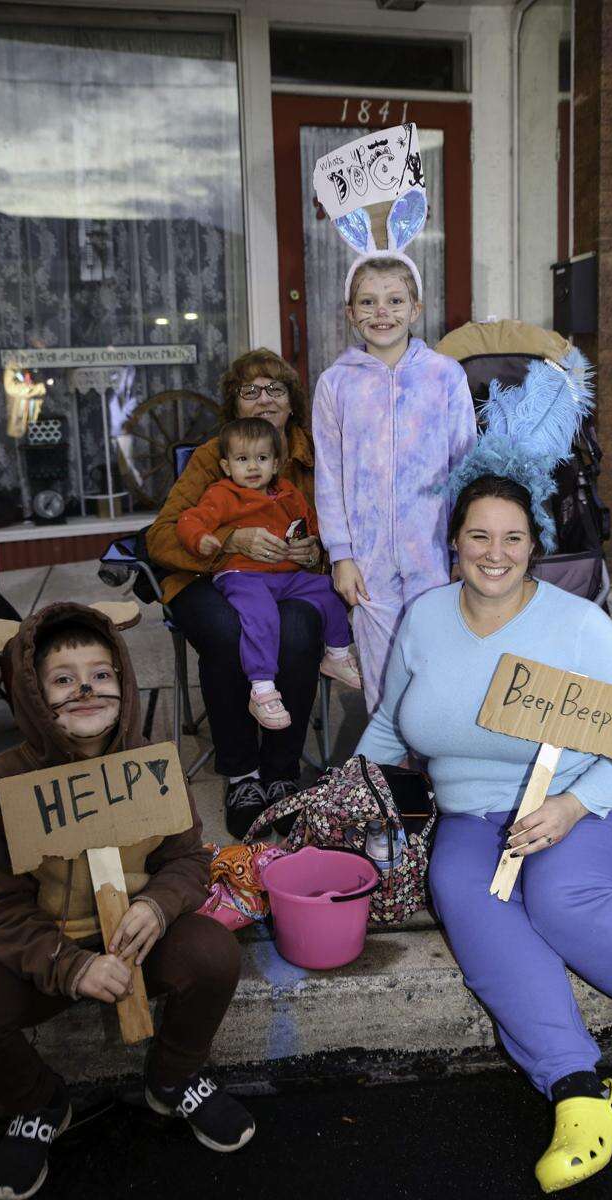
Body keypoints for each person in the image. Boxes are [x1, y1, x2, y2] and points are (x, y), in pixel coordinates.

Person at [355, 348, 612, 1192]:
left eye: (512, 537)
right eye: (478, 536)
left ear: (536, 543)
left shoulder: (576, 624)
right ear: (454, 542)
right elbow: (388, 722)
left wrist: (569, 809)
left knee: (559, 894)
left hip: (593, 806)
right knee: (467, 894)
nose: (495, 552)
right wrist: (341, 792)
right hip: (476, 816)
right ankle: (581, 1090)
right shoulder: (421, 619)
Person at [0, 603, 254, 1200]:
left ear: (124, 684)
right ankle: (42, 1104)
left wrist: (157, 905)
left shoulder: (152, 764)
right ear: (32, 692)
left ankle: (173, 1077)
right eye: (62, 679)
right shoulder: (1, 782)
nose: (85, 690)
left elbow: (188, 858)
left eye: (101, 675)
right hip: (45, 946)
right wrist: (67, 964)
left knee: (213, 953)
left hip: (135, 933)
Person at [147, 349, 323, 839]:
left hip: (289, 577)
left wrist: (317, 553)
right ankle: (243, 775)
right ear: (235, 406)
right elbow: (160, 536)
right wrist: (227, 542)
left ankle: (282, 772)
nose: (264, 399)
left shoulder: (315, 454)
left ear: (292, 404)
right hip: (211, 578)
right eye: (251, 391)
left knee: (300, 624)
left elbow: (347, 529)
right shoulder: (212, 456)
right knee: (227, 630)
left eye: (276, 389)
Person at [312, 255, 476, 716]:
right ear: (350, 313)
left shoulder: (445, 376)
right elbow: (328, 476)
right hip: (368, 562)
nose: (381, 312)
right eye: (368, 301)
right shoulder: (335, 385)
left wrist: (465, 549)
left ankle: (437, 771)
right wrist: (341, 554)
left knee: (436, 665)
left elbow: (468, 467)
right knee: (383, 677)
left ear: (416, 309)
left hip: (434, 556)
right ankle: (395, 775)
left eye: (395, 300)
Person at [177, 416, 360, 730]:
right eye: (242, 459)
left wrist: (312, 544)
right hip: (241, 574)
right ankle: (262, 689)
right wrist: (204, 539)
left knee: (328, 590)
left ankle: (337, 653)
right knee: (262, 616)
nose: (252, 467)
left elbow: (311, 523)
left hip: (286, 575)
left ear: (276, 465)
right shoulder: (222, 495)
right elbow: (189, 521)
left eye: (261, 459)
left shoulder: (288, 494)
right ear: (225, 466)